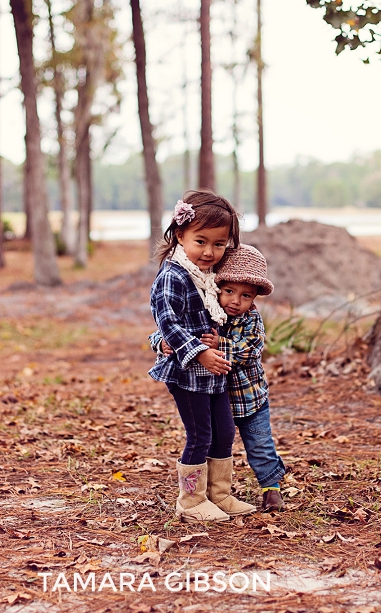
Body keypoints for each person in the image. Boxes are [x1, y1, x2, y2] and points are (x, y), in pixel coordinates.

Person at [152, 244, 286, 512]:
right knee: (211, 437)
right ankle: (201, 497)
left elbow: (251, 349)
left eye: (246, 296)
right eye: (229, 292)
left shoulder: (250, 319)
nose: (236, 301)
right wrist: (160, 342)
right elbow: (177, 327)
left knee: (258, 443)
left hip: (249, 398)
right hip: (218, 393)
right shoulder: (211, 308)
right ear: (218, 287)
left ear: (255, 298)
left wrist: (219, 345)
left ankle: (271, 489)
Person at [149, 190, 255, 522]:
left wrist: (219, 341)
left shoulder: (210, 276)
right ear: (180, 235)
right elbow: (167, 321)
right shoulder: (173, 274)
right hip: (187, 373)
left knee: (224, 431)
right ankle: (191, 500)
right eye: (201, 241)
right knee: (200, 435)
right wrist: (199, 353)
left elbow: (218, 314)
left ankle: (219, 494)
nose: (209, 252)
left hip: (214, 372)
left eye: (219, 244)